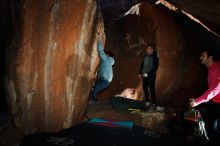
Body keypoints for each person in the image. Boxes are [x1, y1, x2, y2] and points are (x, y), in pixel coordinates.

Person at [189, 49, 220, 142]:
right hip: (215, 102)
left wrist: (197, 101)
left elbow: (215, 89)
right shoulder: (214, 67)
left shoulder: (215, 69)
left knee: (214, 130)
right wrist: (206, 99)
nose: (200, 58)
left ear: (210, 57)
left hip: (218, 105)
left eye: (203, 56)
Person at [89, 33, 115, 103]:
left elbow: (101, 52)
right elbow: (101, 70)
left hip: (105, 80)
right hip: (105, 80)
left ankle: (94, 100)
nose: (105, 55)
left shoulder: (107, 59)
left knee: (96, 87)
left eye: (106, 54)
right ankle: (93, 99)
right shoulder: (108, 62)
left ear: (108, 55)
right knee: (95, 87)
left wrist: (99, 38)